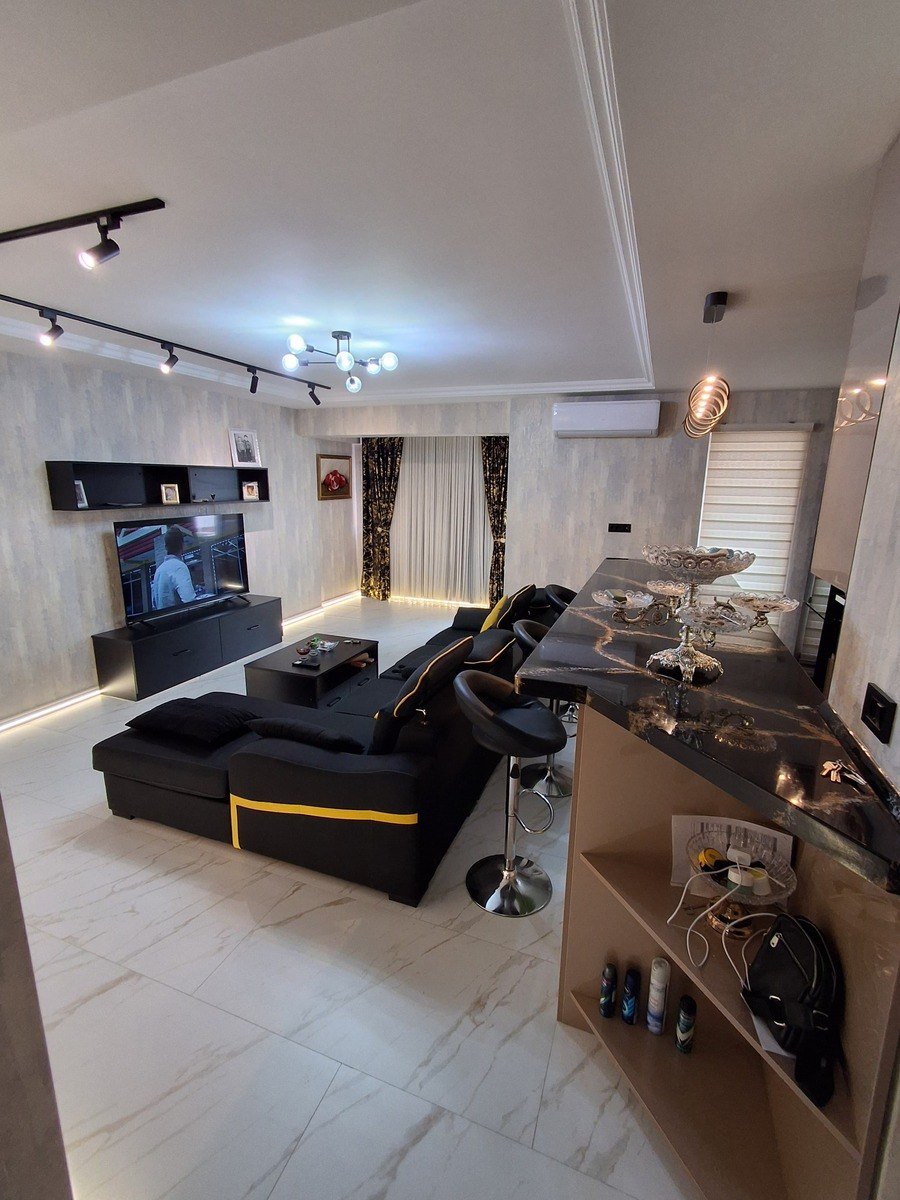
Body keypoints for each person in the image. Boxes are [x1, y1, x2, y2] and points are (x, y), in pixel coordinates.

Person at [151, 527, 197, 609]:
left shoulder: (158, 571)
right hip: (179, 617)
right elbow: (190, 600)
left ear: (165, 547)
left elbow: (154, 602)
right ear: (182, 545)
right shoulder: (179, 566)